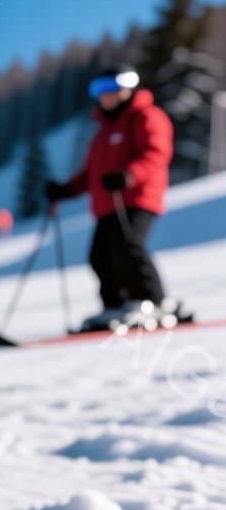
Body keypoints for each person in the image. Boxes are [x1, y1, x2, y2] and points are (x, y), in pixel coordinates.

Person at [45, 65, 176, 331]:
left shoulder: (146, 116)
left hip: (139, 196)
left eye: (111, 88)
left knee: (127, 246)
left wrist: (129, 175)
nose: (105, 95)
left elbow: (156, 153)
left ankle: (152, 303)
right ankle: (115, 306)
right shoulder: (102, 131)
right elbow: (91, 173)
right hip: (107, 203)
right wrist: (66, 189)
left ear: (128, 87)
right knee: (99, 255)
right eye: (99, 89)